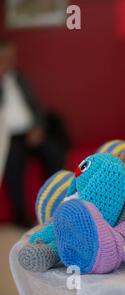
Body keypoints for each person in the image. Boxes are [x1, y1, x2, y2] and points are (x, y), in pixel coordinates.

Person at [0, 39, 66, 228]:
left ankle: (55, 202)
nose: (9, 61)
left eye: (11, 57)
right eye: (4, 57)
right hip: (9, 136)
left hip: (31, 131)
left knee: (53, 151)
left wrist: (38, 127)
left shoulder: (20, 78)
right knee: (13, 162)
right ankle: (20, 215)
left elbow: (37, 107)